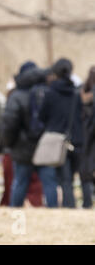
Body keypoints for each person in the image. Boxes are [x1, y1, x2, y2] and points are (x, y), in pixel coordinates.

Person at [0, 61, 58, 208]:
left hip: (22, 147)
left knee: (20, 182)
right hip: (45, 145)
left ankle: (15, 214)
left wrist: (9, 143)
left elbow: (10, 123)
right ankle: (54, 213)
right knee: (49, 183)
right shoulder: (49, 93)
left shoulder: (17, 95)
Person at [39, 58, 83, 208]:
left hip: (56, 140)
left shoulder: (50, 93)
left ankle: (64, 207)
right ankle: (69, 206)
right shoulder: (76, 93)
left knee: (59, 178)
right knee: (68, 179)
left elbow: (42, 116)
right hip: (75, 140)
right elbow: (80, 117)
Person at [79, 66, 95, 208]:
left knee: (85, 173)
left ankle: (87, 202)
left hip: (85, 139)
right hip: (90, 138)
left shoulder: (81, 92)